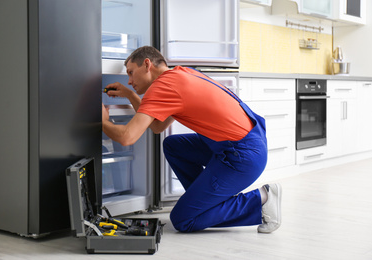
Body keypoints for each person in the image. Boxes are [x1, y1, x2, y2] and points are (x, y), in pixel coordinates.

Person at [102, 46, 282, 233]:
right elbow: (157, 126)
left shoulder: (162, 87)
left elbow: (127, 137)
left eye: (131, 73)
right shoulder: (184, 72)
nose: (129, 81)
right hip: (250, 145)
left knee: (183, 220)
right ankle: (203, 201)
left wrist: (102, 120)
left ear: (147, 64)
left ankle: (262, 199)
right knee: (173, 145)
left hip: (241, 158)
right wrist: (131, 96)